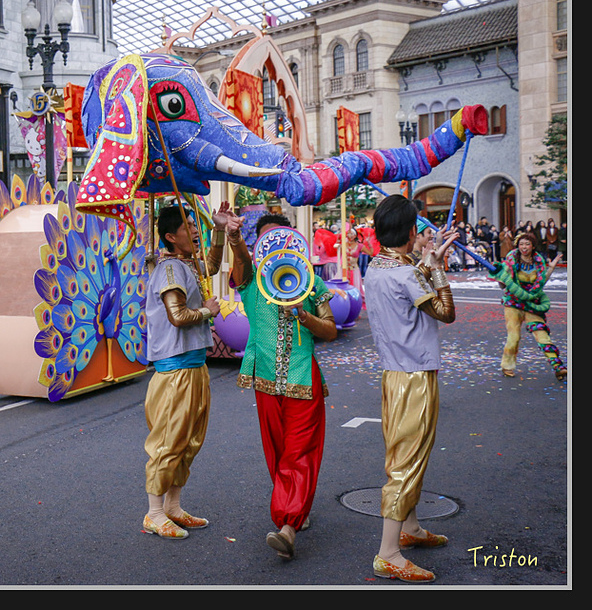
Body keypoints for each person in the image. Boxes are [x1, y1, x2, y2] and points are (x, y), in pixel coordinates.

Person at [363, 194, 459, 583]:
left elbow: (405, 279)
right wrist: (437, 270)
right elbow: (446, 312)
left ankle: (411, 526)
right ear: (408, 231)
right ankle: (388, 553)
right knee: (405, 463)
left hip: (394, 375)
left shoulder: (377, 266)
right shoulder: (405, 274)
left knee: (408, 455)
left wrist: (426, 261)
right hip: (414, 376)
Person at [229, 214, 337, 560]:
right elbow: (243, 262)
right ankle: (294, 507)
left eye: (281, 239)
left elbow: (331, 330)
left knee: (297, 453)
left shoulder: (312, 283)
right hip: (265, 381)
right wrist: (233, 237)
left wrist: (303, 314)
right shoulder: (251, 283)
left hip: (303, 379)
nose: (274, 248)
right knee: (276, 453)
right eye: (266, 242)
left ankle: (288, 525)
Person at [140, 204, 226, 540]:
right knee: (168, 442)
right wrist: (208, 310)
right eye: (188, 225)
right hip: (175, 372)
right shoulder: (170, 271)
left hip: (193, 368)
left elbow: (214, 265)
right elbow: (177, 316)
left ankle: (173, 507)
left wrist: (218, 229)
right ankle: (154, 512)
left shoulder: (186, 265)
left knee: (189, 442)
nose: (194, 229)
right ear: (171, 237)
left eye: (194, 224)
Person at [494, 231, 566, 380]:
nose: (524, 247)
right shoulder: (511, 260)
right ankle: (507, 366)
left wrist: (550, 268)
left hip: (532, 303)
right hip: (513, 302)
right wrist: (501, 275)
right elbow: (502, 285)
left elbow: (540, 284)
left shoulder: (538, 262)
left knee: (542, 334)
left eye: (527, 244)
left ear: (533, 246)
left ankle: (558, 366)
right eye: (521, 244)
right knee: (514, 336)